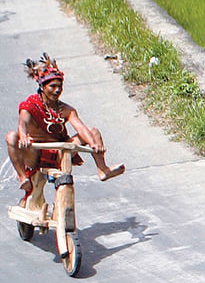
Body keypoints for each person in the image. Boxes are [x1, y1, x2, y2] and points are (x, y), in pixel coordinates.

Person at [7, 54, 124, 202]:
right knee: (11, 136)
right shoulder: (30, 105)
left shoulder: (66, 109)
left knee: (93, 132)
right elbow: (22, 122)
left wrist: (93, 144)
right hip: (36, 153)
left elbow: (81, 128)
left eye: (59, 86)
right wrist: (23, 136)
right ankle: (23, 178)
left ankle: (103, 169)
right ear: (42, 87)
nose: (57, 90)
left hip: (59, 152)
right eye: (52, 86)